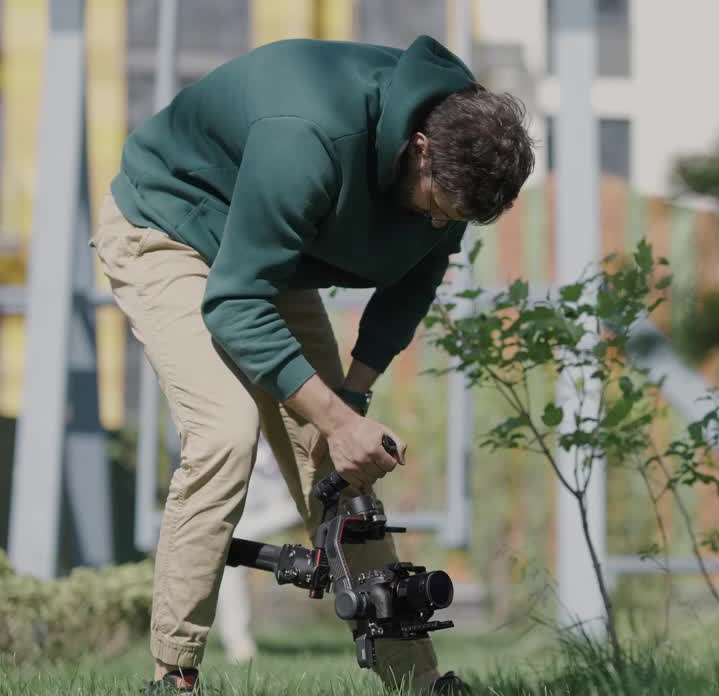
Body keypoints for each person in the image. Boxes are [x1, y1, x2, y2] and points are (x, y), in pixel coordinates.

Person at [90, 34, 534, 695]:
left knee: (339, 464)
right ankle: (173, 676)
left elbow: (415, 277)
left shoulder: (464, 150)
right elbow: (236, 303)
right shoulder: (311, 136)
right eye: (438, 207)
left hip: (270, 250)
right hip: (170, 227)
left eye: (456, 219)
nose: (441, 225)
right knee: (225, 435)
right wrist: (332, 415)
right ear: (419, 150)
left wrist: (349, 402)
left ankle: (415, 682)